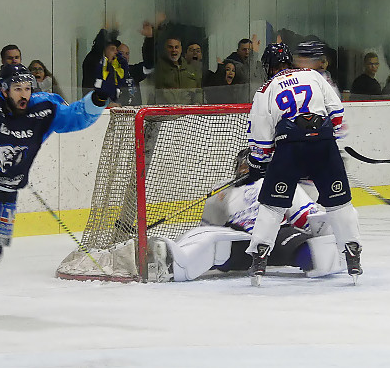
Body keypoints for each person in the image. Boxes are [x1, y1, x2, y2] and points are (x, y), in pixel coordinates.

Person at [0, 55, 111, 316]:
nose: (24, 94)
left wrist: (98, 99)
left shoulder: (44, 109)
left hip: (7, 191)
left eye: (27, 88)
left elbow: (76, 117)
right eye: (17, 89)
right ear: (4, 89)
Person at [245, 40, 362, 286]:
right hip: (323, 145)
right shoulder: (313, 76)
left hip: (290, 149)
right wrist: (331, 144)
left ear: (268, 66)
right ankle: (352, 254)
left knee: (272, 206)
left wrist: (259, 161)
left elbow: (262, 139)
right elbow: (337, 113)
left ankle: (259, 259)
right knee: (340, 203)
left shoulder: (265, 90)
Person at [147, 149, 345, 282]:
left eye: (250, 164)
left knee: (317, 254)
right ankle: (172, 264)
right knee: (213, 248)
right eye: (242, 165)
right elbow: (208, 229)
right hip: (242, 240)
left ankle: (334, 255)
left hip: (277, 235)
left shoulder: (281, 183)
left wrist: (330, 235)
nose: (245, 168)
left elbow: (306, 217)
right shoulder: (222, 192)